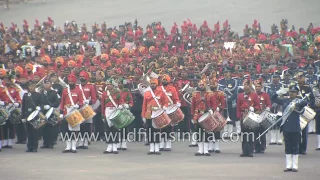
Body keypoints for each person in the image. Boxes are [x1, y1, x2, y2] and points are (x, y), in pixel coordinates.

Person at [272, 85, 308, 172]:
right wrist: (279, 92)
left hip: (295, 127)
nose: (292, 94)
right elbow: (273, 98)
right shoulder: (285, 100)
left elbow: (305, 103)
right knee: (287, 146)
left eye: (294, 92)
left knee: (295, 146)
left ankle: (295, 166)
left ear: (296, 93)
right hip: (286, 127)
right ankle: (288, 165)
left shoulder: (299, 101)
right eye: (290, 92)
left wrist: (296, 103)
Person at [141, 78, 169, 155]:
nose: (152, 85)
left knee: (156, 131)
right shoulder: (147, 93)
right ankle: (151, 148)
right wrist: (143, 115)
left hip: (157, 114)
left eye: (154, 84)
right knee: (149, 131)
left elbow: (165, 102)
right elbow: (144, 105)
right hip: (149, 114)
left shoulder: (161, 92)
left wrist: (165, 107)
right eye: (151, 84)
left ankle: (156, 148)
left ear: (156, 84)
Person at [59, 74, 84, 153]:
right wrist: (61, 112)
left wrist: (78, 105)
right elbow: (62, 102)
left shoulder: (79, 90)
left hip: (74, 112)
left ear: (74, 82)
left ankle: (73, 146)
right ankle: (68, 146)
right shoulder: (65, 90)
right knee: (66, 130)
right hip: (66, 111)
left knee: (74, 130)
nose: (70, 83)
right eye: (69, 81)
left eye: (71, 81)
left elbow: (81, 101)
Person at [191, 76, 215, 156]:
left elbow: (214, 105)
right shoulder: (195, 94)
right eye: (200, 85)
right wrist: (192, 116)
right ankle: (200, 150)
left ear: (205, 85)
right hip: (198, 115)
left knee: (207, 132)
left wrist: (212, 110)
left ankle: (206, 150)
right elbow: (193, 105)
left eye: (202, 85)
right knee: (198, 132)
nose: (201, 86)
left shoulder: (210, 94)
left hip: (207, 115)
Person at [236, 78, 260, 157]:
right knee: (243, 134)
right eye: (244, 85)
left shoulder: (254, 95)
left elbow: (258, 106)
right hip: (243, 115)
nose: (245, 87)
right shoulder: (240, 95)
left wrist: (254, 108)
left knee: (250, 134)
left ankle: (250, 151)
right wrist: (239, 116)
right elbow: (238, 107)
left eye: (247, 85)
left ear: (250, 86)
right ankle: (244, 151)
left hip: (251, 116)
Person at [101, 79, 124, 154]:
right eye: (107, 84)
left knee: (115, 129)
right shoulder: (105, 93)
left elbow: (121, 101)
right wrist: (103, 115)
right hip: (107, 111)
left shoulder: (118, 92)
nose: (108, 85)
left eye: (109, 84)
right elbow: (103, 105)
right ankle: (109, 146)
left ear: (113, 85)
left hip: (115, 111)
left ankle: (115, 146)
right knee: (108, 130)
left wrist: (120, 106)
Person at [159, 74, 180, 151]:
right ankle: (161, 144)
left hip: (169, 110)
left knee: (169, 128)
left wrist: (177, 103)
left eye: (165, 80)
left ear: (168, 80)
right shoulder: (158, 88)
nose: (164, 81)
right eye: (163, 80)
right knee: (161, 127)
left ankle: (168, 144)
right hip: (160, 110)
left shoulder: (172, 89)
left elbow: (176, 98)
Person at [77, 71, 97, 149]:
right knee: (79, 125)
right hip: (79, 108)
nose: (82, 78)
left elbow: (94, 99)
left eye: (83, 76)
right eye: (81, 76)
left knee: (87, 126)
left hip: (88, 107)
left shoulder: (91, 87)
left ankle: (85, 141)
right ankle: (80, 141)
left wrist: (89, 101)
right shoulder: (77, 86)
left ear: (86, 78)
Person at [21, 82, 43, 152]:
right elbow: (23, 106)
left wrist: (39, 107)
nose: (31, 87)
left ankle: (34, 147)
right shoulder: (25, 95)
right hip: (27, 115)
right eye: (30, 86)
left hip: (35, 116)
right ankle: (29, 147)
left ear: (35, 87)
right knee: (28, 132)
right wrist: (23, 117)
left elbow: (42, 104)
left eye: (32, 86)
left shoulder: (38, 95)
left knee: (34, 132)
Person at [296, 72, 315, 155]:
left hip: (304, 112)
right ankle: (297, 147)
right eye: (298, 78)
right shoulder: (295, 87)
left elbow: (312, 99)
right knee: (296, 131)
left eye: (301, 78)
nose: (299, 79)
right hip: (296, 111)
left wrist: (308, 105)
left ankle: (303, 149)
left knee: (304, 131)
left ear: (304, 78)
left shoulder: (308, 88)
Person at [1, 76, 22, 149]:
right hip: (3, 108)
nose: (6, 81)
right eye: (4, 80)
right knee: (4, 125)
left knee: (11, 125)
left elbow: (19, 98)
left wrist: (18, 103)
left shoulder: (15, 89)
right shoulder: (1, 89)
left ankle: (10, 141)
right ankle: (5, 141)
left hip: (11, 107)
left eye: (7, 80)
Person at [40, 79, 60, 149]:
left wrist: (51, 105)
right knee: (44, 128)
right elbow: (39, 102)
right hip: (44, 112)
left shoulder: (54, 93)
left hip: (51, 112)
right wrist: (42, 106)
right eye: (45, 83)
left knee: (51, 128)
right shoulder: (42, 93)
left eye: (48, 83)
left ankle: (51, 143)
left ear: (51, 84)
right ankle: (45, 143)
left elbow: (57, 102)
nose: (47, 85)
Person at [253, 78, 271, 153]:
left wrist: (268, 108)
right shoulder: (252, 95)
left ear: (261, 87)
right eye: (256, 86)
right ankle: (256, 148)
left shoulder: (265, 95)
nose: (257, 88)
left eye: (258, 86)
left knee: (262, 132)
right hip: (254, 115)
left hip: (263, 115)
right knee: (255, 132)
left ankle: (262, 148)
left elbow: (269, 104)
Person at [208, 77, 226, 153]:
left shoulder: (220, 93)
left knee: (217, 130)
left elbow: (223, 104)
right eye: (211, 84)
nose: (212, 85)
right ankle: (210, 146)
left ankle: (217, 147)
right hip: (209, 112)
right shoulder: (207, 93)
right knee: (209, 129)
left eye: (214, 84)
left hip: (217, 113)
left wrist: (220, 109)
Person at [118, 78, 133, 150]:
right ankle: (118, 141)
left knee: (124, 127)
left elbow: (130, 101)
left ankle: (124, 142)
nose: (120, 84)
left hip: (125, 110)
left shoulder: (127, 91)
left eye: (121, 83)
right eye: (118, 83)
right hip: (117, 110)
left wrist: (128, 105)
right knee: (117, 127)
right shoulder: (115, 91)